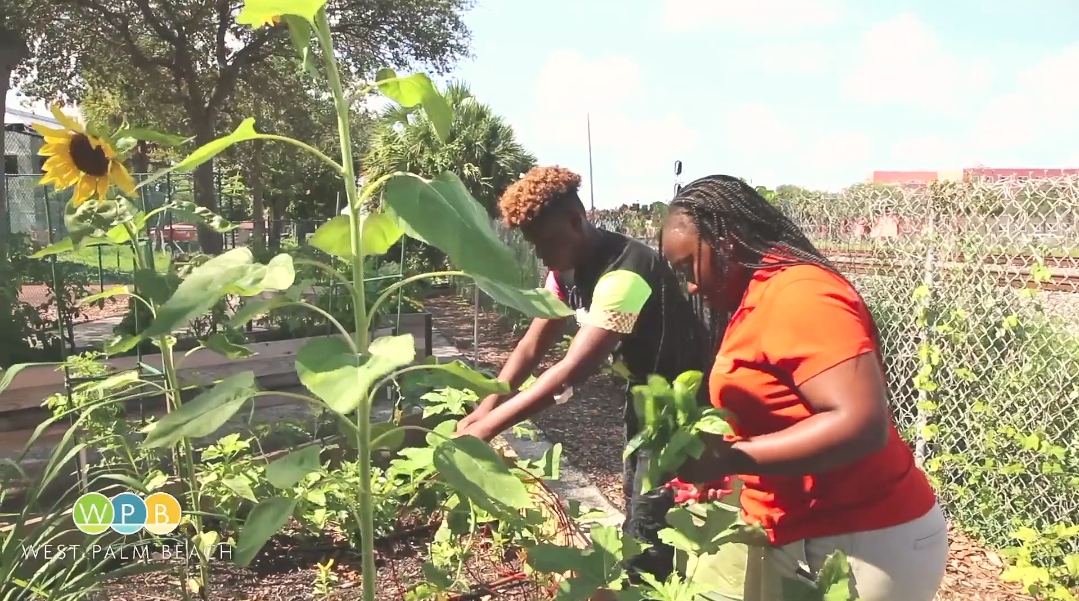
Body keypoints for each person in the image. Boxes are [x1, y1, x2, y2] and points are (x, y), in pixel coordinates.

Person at [657, 175, 948, 601]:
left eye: (688, 267)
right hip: (810, 533)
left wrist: (730, 457)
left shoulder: (800, 294)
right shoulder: (757, 296)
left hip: (863, 542)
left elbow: (860, 425)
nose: (691, 286)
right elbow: (786, 412)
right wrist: (731, 467)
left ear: (727, 242)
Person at [455, 165, 713, 582]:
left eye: (545, 243)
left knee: (651, 512)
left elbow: (572, 370)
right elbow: (532, 346)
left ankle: (648, 582)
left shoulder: (625, 272)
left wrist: (488, 428)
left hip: (682, 397)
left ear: (576, 221)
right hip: (644, 388)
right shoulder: (564, 269)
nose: (540, 254)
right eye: (533, 245)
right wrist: (485, 407)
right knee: (637, 494)